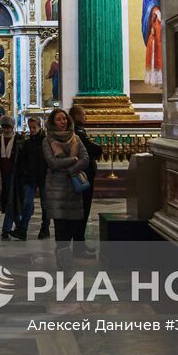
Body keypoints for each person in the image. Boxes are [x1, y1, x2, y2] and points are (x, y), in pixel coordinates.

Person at [41, 108, 90, 264]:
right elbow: (52, 162)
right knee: (61, 224)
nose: (63, 122)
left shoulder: (75, 138)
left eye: (64, 119)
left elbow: (86, 158)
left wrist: (71, 169)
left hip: (74, 187)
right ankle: (63, 255)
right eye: (59, 119)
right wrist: (73, 160)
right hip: (57, 188)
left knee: (74, 223)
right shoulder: (47, 140)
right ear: (53, 123)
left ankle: (63, 250)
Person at [68, 104, 103, 255]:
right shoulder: (77, 132)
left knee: (83, 211)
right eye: (83, 114)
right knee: (82, 211)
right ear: (76, 117)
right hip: (83, 176)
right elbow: (92, 149)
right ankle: (78, 246)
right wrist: (98, 150)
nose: (85, 116)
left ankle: (80, 243)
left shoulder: (78, 131)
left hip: (85, 175)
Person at [16, 115, 47, 240]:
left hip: (44, 176)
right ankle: (23, 229)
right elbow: (23, 159)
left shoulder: (46, 141)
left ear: (39, 127)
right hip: (31, 177)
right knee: (27, 202)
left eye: (34, 127)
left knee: (45, 204)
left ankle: (45, 228)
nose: (32, 130)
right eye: (30, 128)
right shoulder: (27, 142)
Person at [0, 116, 25, 241]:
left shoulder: (19, 140)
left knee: (11, 203)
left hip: (16, 176)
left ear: (12, 127)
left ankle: (6, 230)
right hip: (2, 176)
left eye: (8, 127)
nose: (6, 130)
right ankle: (20, 228)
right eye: (4, 127)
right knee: (9, 202)